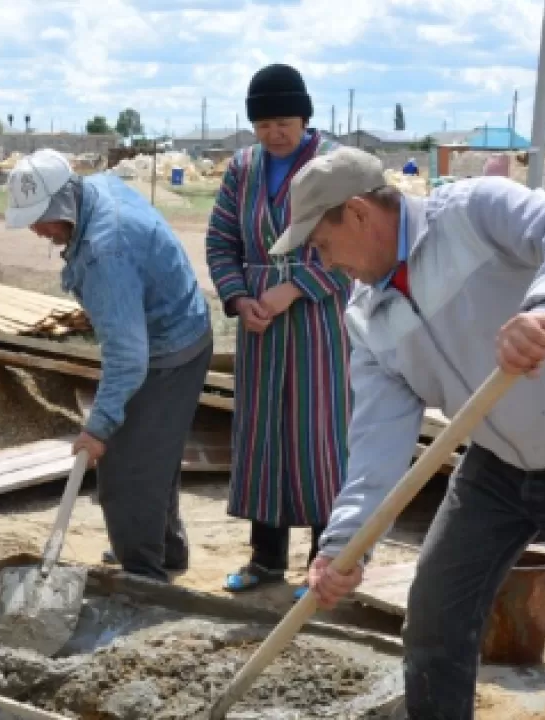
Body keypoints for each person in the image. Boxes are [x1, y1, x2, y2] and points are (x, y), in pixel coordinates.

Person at [272, 146, 545, 719]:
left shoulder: (472, 214)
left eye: (321, 245)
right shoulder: (366, 315)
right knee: (434, 619)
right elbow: (378, 439)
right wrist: (344, 545)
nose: (324, 263)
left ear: (357, 213)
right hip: (496, 463)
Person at [5, 149, 212, 583]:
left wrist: (97, 429)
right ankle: (162, 553)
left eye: (40, 217)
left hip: (167, 350)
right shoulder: (92, 191)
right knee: (153, 456)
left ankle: (143, 579)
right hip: (173, 330)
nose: (37, 230)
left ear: (63, 203)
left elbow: (127, 356)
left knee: (127, 468)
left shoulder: (105, 252)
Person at [205, 63, 354, 597]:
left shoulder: (334, 166)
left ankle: (323, 562)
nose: (275, 133)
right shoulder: (243, 169)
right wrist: (239, 297)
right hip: (260, 327)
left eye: (285, 122)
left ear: (305, 117)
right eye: (264, 124)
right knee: (262, 435)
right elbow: (221, 240)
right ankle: (266, 557)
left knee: (321, 437)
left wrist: (294, 288)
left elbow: (358, 241)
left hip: (320, 321)